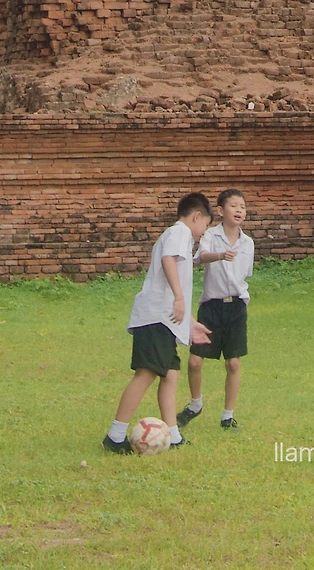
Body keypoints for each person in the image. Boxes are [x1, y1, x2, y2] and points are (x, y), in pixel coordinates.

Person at [103, 192, 214, 455]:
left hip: (165, 319)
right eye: (205, 226)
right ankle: (115, 435)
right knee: (146, 373)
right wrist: (178, 297)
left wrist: (189, 322)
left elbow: (174, 280)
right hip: (155, 318)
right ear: (196, 217)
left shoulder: (180, 237)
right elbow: (167, 263)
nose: (202, 233)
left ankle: (173, 435)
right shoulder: (180, 233)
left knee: (171, 374)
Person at [178, 187, 254, 431]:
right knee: (195, 361)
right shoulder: (211, 235)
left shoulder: (248, 243)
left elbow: (245, 275)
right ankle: (195, 404)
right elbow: (200, 258)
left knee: (233, 363)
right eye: (234, 206)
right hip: (211, 306)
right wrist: (220, 255)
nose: (239, 210)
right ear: (221, 211)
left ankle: (227, 415)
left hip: (236, 307)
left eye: (242, 207)